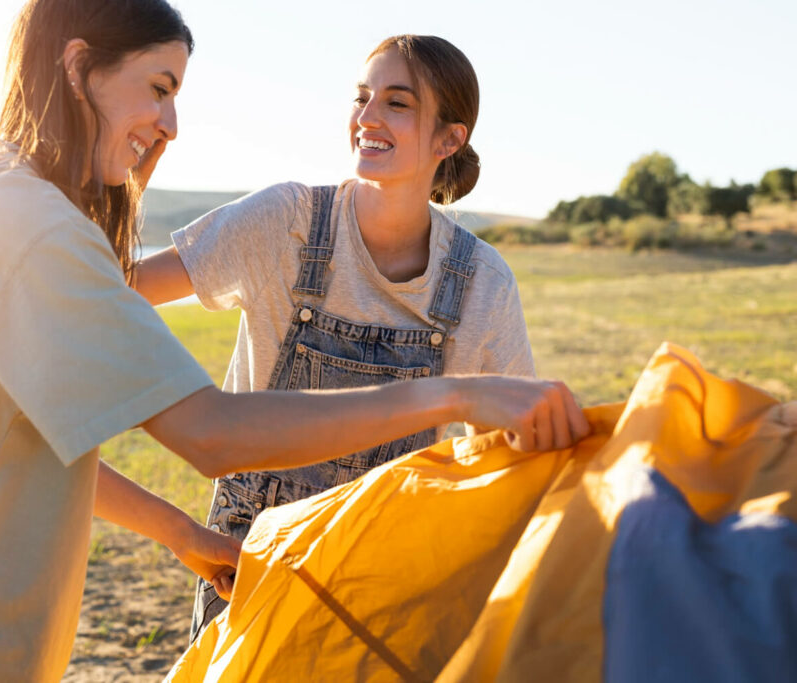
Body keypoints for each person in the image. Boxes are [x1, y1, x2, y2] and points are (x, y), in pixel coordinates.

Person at [0, 2, 588, 680]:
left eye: (398, 102)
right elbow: (209, 432)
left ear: (452, 136)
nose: (172, 122)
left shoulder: (10, 203)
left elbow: (40, 440)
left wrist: (183, 535)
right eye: (158, 89)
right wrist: (453, 392)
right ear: (78, 65)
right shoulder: (29, 227)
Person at [132, 35, 541, 636]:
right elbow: (118, 287)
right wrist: (122, 185)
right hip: (249, 562)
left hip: (391, 576)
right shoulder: (287, 222)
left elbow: (503, 466)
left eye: (397, 103)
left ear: (449, 139)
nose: (367, 117)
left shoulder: (482, 283)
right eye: (361, 96)